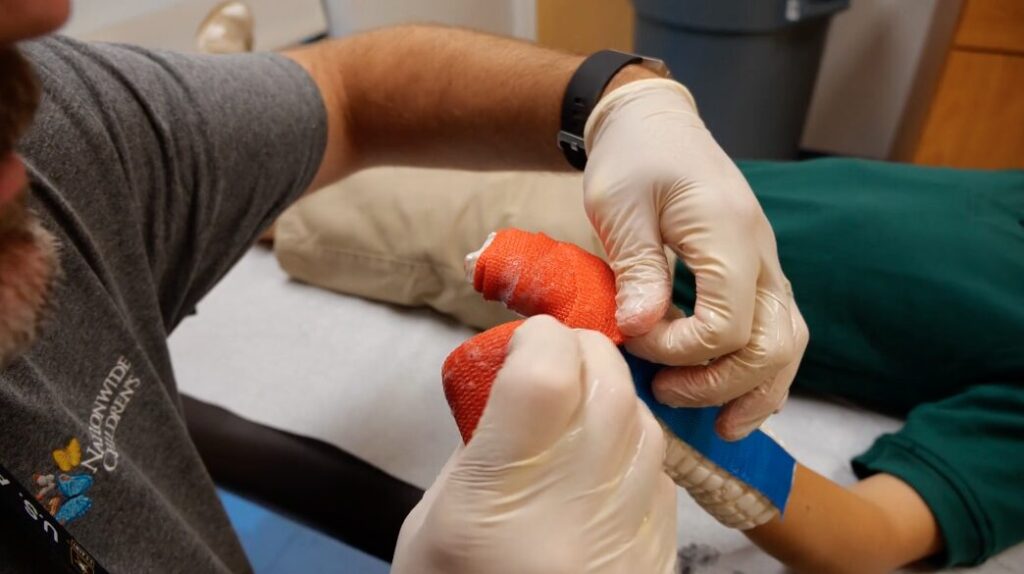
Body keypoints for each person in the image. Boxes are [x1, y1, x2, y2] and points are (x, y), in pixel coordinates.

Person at [0, 0, 806, 571]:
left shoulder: (53, 142)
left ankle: (222, 68)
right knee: (364, 223)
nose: (48, 9)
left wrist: (622, 100)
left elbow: (351, 93)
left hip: (626, 204)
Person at [268, 157, 1024, 572]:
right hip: (686, 178)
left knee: (321, 198)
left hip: (633, 277)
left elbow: (872, 540)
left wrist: (675, 417)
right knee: (395, 133)